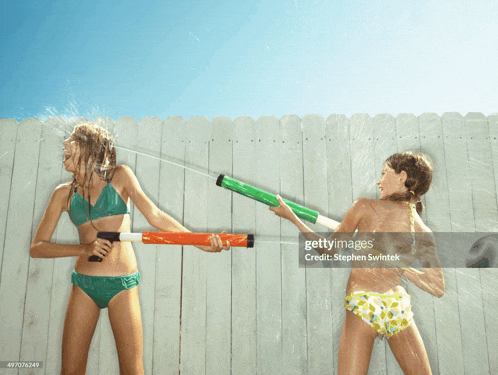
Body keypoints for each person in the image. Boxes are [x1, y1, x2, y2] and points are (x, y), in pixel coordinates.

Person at [30, 122, 230, 375]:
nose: (64, 145)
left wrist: (199, 242)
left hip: (122, 286)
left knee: (133, 371)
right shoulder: (63, 194)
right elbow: (37, 248)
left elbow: (156, 216)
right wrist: (83, 250)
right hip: (84, 285)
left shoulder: (120, 176)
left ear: (90, 148)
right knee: (70, 372)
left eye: (72, 141)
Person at [270, 152, 444, 375]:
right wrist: (404, 268)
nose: (378, 181)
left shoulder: (364, 207)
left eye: (384, 174)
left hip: (364, 302)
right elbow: (437, 287)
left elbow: (328, 250)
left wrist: (292, 217)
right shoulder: (422, 231)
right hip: (397, 306)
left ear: (401, 177)